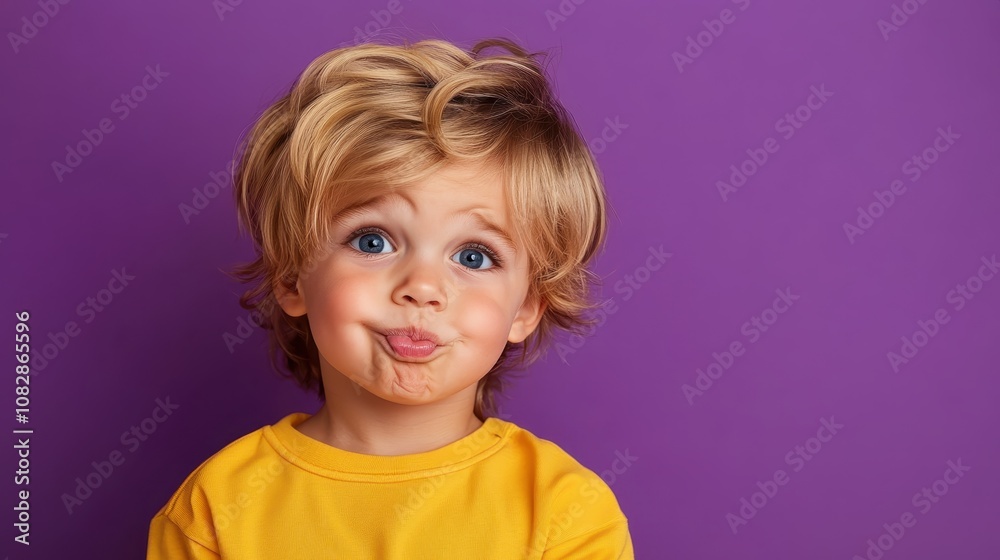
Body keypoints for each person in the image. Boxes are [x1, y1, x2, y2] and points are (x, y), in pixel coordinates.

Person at [146, 35, 633, 559]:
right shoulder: (215, 508)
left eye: (474, 257)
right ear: (291, 277)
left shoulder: (564, 512)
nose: (422, 288)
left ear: (526, 309)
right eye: (372, 241)